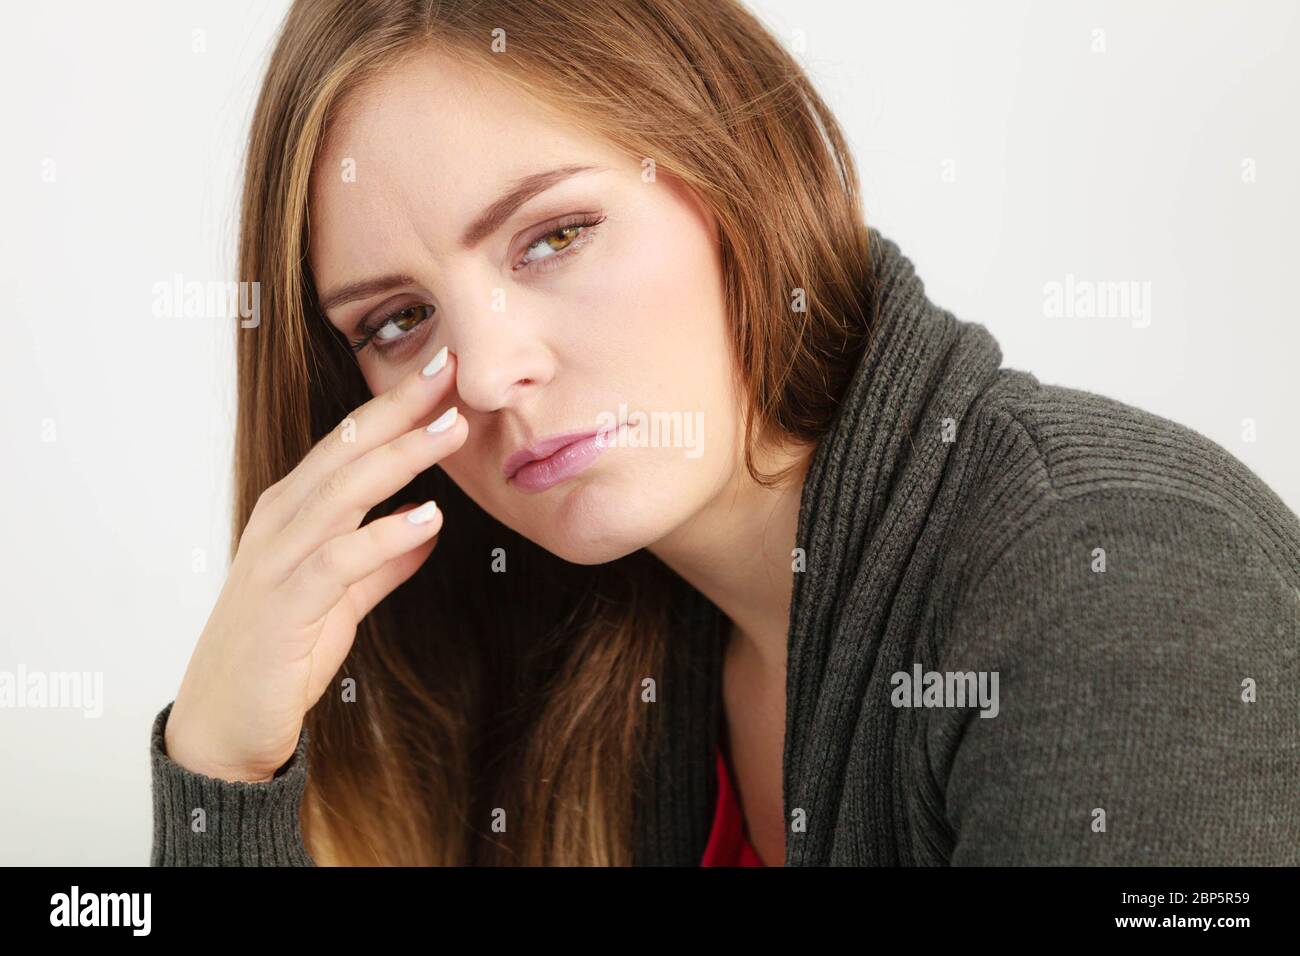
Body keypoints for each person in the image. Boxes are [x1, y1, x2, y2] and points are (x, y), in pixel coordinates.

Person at [149, 0, 1300, 866]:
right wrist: (221, 771)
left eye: (554, 235)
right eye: (398, 320)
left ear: (730, 168)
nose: (492, 373)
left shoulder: (1118, 576)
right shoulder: (587, 639)